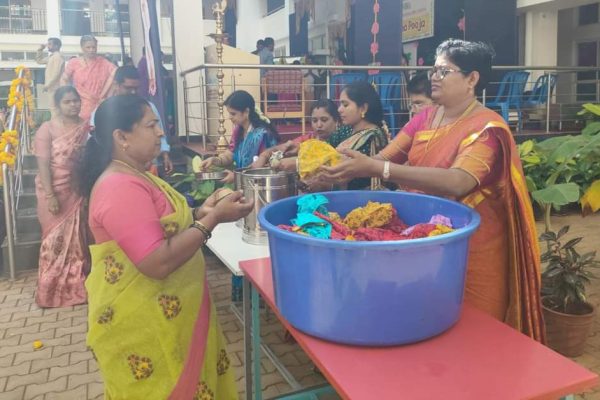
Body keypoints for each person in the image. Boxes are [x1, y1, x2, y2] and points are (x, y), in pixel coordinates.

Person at [318, 39, 545, 342]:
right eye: (433, 69)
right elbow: (383, 158)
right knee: (426, 323)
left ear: (472, 79)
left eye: (443, 71)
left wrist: (378, 170)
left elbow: (458, 181)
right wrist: (338, 166)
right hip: (424, 241)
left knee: (475, 333)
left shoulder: (487, 128)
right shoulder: (425, 117)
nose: (434, 77)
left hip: (474, 246)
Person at [79, 94, 252, 399]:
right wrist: (211, 221)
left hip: (168, 316)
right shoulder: (119, 186)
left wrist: (204, 210)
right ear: (122, 137)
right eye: (151, 125)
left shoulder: (137, 175)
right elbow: (155, 261)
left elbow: (163, 227)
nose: (161, 132)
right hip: (146, 328)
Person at [271, 81, 389, 191]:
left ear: (363, 108)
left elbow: (344, 169)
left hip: (361, 200)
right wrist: (299, 149)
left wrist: (298, 164)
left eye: (345, 105)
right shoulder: (348, 130)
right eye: (340, 104)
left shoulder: (373, 137)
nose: (339, 109)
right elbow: (323, 149)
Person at [34, 86, 90, 308]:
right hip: (54, 189)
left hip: (77, 188)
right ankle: (50, 291)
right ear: (58, 105)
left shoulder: (85, 127)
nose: (74, 105)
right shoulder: (46, 129)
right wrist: (51, 195)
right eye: (68, 102)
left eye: (76, 101)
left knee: (78, 238)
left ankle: (76, 285)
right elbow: (43, 164)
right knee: (54, 240)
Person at [90, 66, 173, 175]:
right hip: (116, 169)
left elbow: (159, 132)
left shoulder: (148, 107)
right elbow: (95, 141)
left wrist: (165, 154)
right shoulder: (103, 110)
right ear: (116, 85)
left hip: (147, 165)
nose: (133, 92)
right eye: (128, 88)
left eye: (136, 88)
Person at [200, 90, 280, 183]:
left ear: (246, 112)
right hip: (242, 184)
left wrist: (237, 177)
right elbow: (230, 154)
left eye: (233, 113)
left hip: (260, 186)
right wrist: (215, 160)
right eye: (229, 113)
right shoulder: (238, 130)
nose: (230, 117)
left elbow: (266, 168)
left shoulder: (263, 135)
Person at [251, 98, 341, 168]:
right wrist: (263, 156)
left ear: (336, 120)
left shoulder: (343, 141)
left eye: (324, 120)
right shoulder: (308, 140)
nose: (319, 125)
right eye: (314, 120)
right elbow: (282, 148)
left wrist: (298, 164)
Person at [60, 35, 116, 120]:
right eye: (88, 47)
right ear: (82, 47)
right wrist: (67, 97)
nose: (91, 50)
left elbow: (116, 72)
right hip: (79, 104)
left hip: (99, 105)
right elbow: (64, 79)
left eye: (94, 47)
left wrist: (106, 95)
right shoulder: (74, 63)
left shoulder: (103, 62)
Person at [36, 37, 65, 118]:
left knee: (55, 109)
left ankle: (57, 128)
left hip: (56, 87)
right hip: (52, 87)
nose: (47, 46)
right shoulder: (51, 57)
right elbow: (39, 61)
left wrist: (47, 85)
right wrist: (40, 50)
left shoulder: (58, 57)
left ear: (56, 46)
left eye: (49, 44)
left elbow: (57, 73)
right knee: (53, 108)